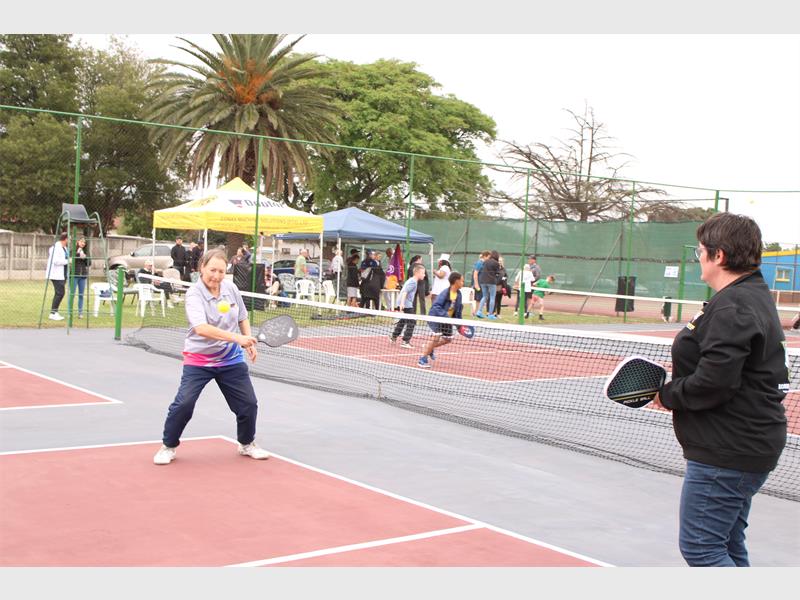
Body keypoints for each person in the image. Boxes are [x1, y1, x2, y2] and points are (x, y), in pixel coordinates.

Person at [652, 213, 788, 567]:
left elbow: (715, 381)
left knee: (702, 549)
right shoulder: (748, 296)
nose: (699, 258)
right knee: (727, 545)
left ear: (720, 256)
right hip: (743, 444)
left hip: (727, 449)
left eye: (700, 251)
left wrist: (666, 395)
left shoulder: (735, 305)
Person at [153, 248, 270, 465]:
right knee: (184, 404)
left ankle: (246, 444)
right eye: (212, 270)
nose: (216, 276)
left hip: (230, 359)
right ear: (202, 268)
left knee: (248, 404)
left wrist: (247, 340)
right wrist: (238, 339)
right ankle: (168, 446)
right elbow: (201, 328)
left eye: (221, 271)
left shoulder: (231, 288)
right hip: (200, 360)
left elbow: (242, 316)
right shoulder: (194, 293)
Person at [418, 271, 464, 369]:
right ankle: (423, 359)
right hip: (436, 317)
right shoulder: (445, 293)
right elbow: (436, 306)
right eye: (462, 281)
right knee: (436, 337)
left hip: (447, 320)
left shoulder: (459, 295)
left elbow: (458, 311)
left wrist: (459, 325)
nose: (463, 283)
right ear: (456, 281)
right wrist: (446, 315)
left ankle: (429, 347)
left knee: (448, 339)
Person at [389, 263, 426, 349]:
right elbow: (405, 292)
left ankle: (394, 336)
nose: (424, 275)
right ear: (417, 273)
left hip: (404, 303)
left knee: (403, 320)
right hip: (406, 304)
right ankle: (406, 341)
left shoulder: (412, 281)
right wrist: (402, 304)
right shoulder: (413, 282)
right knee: (412, 322)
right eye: (423, 273)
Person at [46, 233, 69, 321]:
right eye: (69, 239)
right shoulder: (56, 248)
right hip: (56, 274)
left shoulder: (64, 248)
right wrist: (68, 261)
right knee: (60, 293)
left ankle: (54, 312)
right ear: (65, 239)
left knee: (59, 293)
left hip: (63, 274)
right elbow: (55, 261)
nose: (69, 241)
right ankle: (52, 313)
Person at [475, 250, 500, 320]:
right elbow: (497, 273)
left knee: (484, 296)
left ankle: (479, 311)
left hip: (483, 281)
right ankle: (490, 314)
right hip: (491, 282)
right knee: (492, 297)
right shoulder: (496, 263)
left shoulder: (485, 261)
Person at [70, 236, 90, 319]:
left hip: (83, 276)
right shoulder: (73, 250)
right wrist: (78, 254)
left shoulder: (86, 251)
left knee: (81, 295)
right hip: (74, 275)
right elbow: (71, 260)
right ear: (77, 242)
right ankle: (69, 312)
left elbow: (89, 263)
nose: (83, 243)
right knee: (72, 294)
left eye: (84, 242)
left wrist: (85, 258)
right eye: (81, 241)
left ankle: (80, 312)